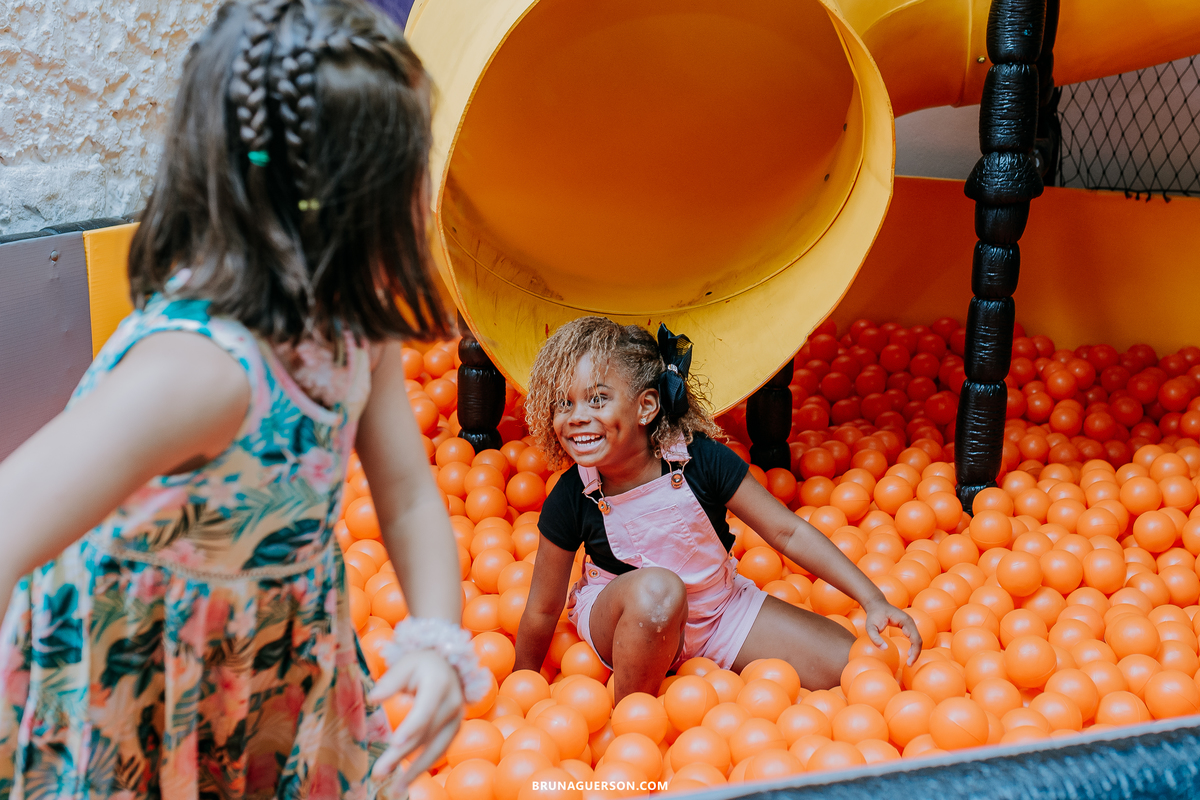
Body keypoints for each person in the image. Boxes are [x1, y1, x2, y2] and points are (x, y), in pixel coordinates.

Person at [0, 1, 489, 797]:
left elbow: (404, 496)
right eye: (410, 164)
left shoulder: (354, 328)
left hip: (274, 662)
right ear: (345, 197)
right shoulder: (203, 371)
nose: (426, 186)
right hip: (137, 685)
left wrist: (437, 639)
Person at [514, 318, 922, 702]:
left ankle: (681, 662)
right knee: (658, 591)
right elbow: (544, 607)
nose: (577, 417)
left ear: (646, 407)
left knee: (852, 664)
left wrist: (872, 599)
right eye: (564, 403)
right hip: (625, 621)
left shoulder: (701, 461)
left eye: (598, 399)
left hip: (721, 611)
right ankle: (632, 714)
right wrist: (521, 682)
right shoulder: (572, 494)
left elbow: (788, 532)